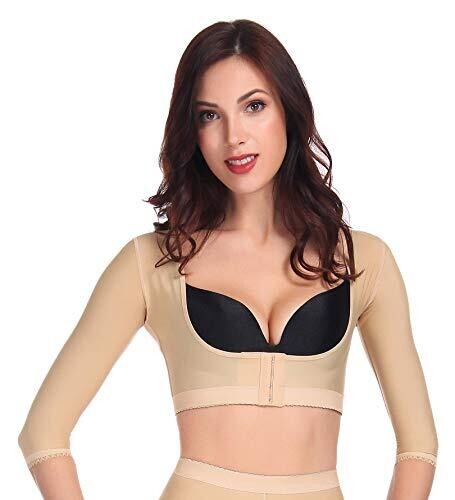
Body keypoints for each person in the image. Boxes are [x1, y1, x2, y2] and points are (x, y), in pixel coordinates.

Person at [18, 19, 438, 500]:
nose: (233, 136)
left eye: (253, 106)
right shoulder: (153, 263)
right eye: (209, 115)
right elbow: (43, 433)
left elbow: (418, 448)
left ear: (289, 110)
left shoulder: (363, 261)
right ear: (192, 131)